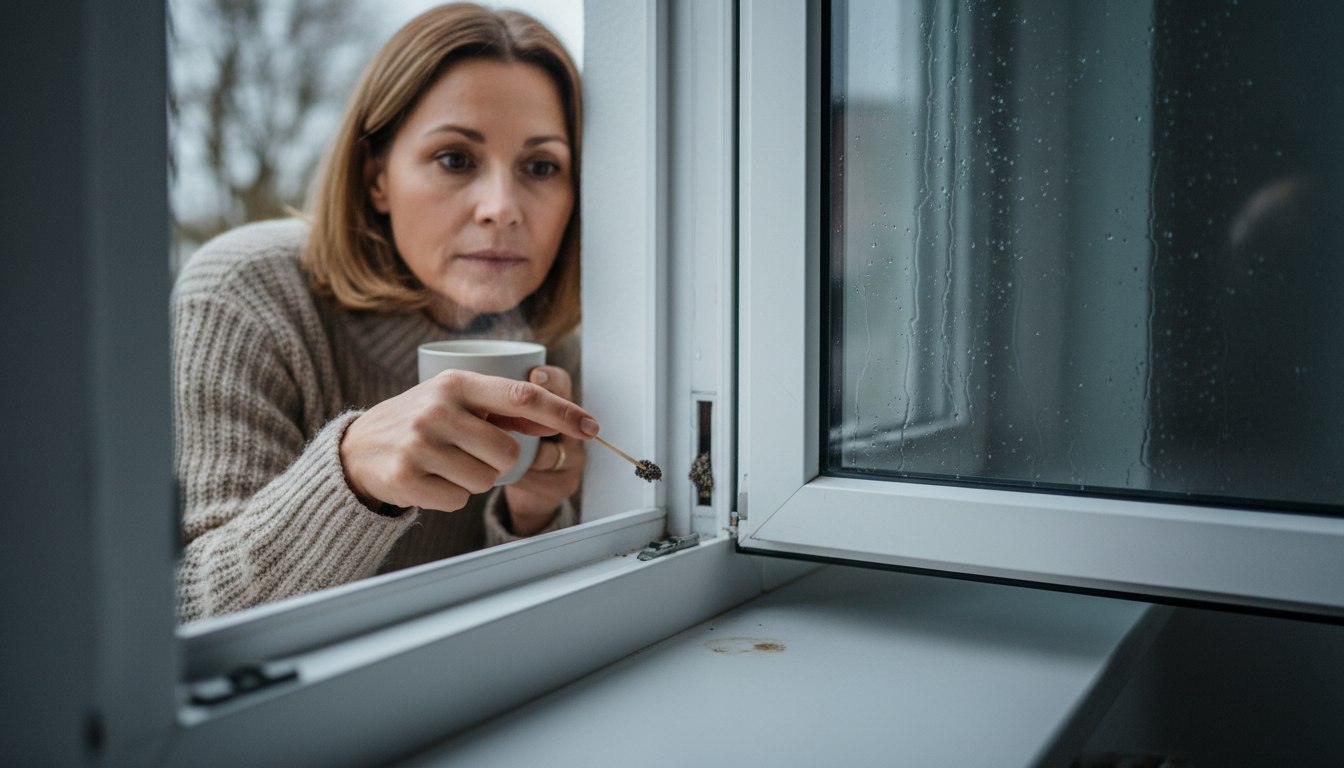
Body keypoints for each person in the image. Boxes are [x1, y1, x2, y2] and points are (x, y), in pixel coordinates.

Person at [172, 3, 597, 622]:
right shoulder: (245, 293)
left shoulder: (563, 346)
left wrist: (531, 517)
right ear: (377, 178)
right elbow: (182, 610)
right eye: (456, 158)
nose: (502, 208)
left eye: (540, 166)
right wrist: (349, 476)